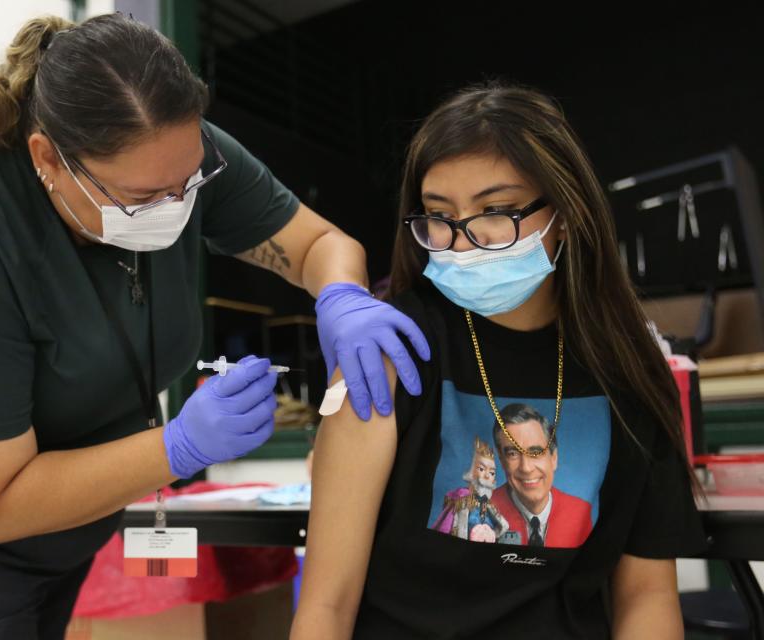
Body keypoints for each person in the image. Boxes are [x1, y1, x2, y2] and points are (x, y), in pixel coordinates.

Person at [0, 13, 429, 639]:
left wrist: (343, 297)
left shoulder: (173, 152)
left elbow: (317, 243)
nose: (175, 208)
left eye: (187, 186)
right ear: (47, 157)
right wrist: (178, 446)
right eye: (142, 198)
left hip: (65, 505)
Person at [292, 82, 706, 639]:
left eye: (497, 211)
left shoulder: (629, 369)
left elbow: (647, 597)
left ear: (566, 211)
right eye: (440, 215)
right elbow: (326, 607)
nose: (462, 244)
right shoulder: (388, 353)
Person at [489, 403, 593, 548]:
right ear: (501, 460)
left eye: (536, 452)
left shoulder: (579, 512)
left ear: (554, 458)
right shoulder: (483, 510)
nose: (526, 468)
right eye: (513, 454)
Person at [430, 436, 510, 543]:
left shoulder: (490, 506)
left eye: (492, 473)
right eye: (481, 469)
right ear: (472, 473)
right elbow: (446, 528)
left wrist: (491, 533)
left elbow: (502, 527)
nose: (487, 476)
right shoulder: (461, 501)